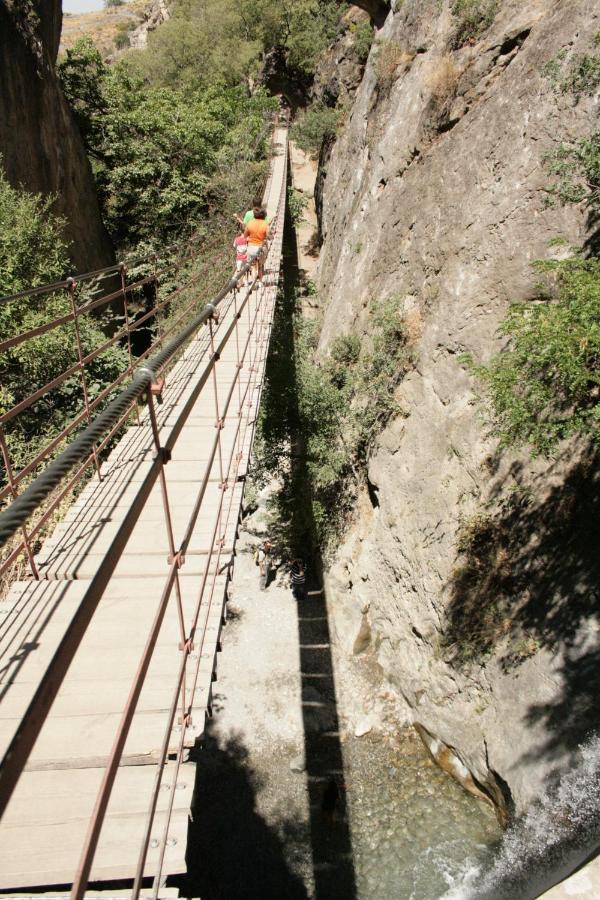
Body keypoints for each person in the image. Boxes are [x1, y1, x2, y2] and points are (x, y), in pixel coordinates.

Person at [244, 208, 269, 284]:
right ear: (264, 216)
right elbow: (268, 236)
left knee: (253, 266)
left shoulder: (250, 224)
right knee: (260, 266)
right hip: (261, 248)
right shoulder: (265, 224)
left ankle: (253, 284)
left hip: (251, 248)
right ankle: (261, 283)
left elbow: (245, 236)